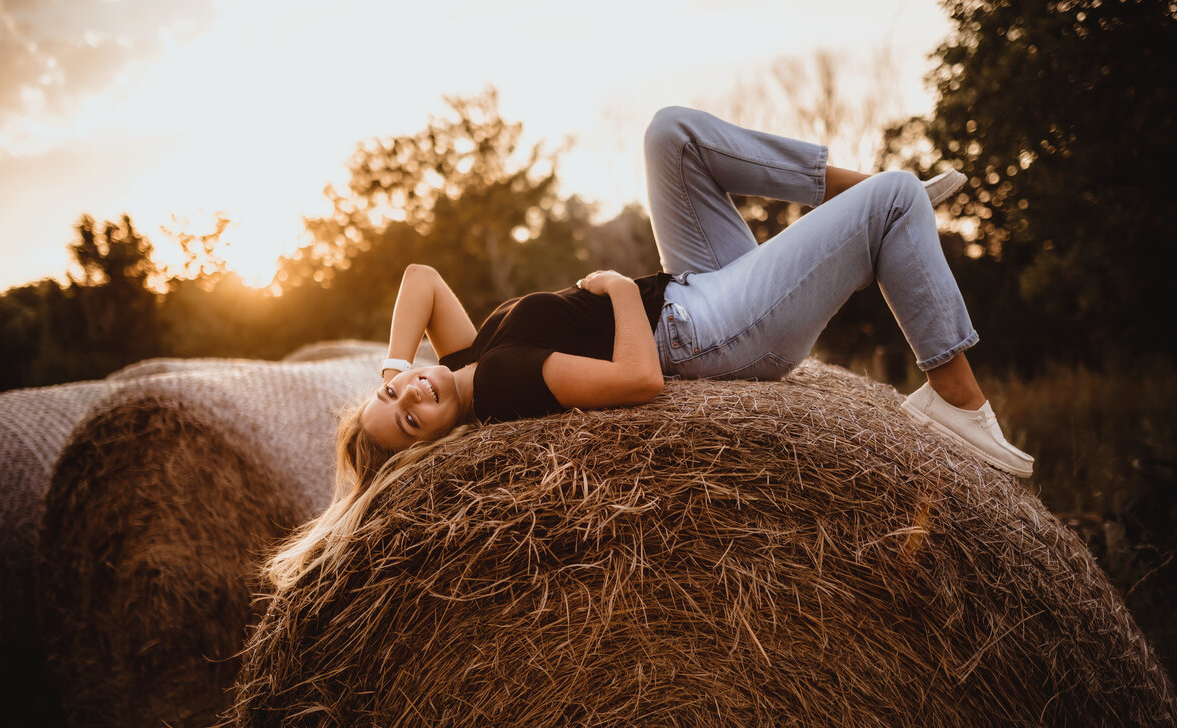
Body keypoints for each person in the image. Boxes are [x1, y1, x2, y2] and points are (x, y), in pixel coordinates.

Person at [358, 106, 1033, 479]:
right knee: (895, 202)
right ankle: (954, 394)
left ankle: (868, 195)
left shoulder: (459, 366)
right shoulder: (499, 382)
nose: (413, 395)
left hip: (695, 291)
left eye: (395, 390)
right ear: (435, 443)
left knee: (669, 134)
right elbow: (639, 380)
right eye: (412, 419)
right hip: (712, 332)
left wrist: (395, 365)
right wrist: (622, 291)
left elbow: (422, 280)